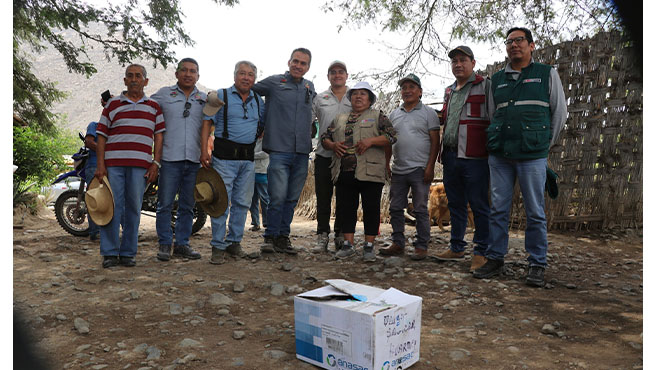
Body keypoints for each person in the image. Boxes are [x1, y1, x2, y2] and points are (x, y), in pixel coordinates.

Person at [473, 28, 567, 287]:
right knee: (498, 209)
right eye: (509, 42)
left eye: (519, 41)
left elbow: (559, 113)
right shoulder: (497, 79)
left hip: (532, 156)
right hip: (500, 155)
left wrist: (542, 145)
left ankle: (537, 263)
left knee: (535, 211)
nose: (514, 45)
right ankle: (495, 258)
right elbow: (493, 115)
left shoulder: (546, 74)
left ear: (532, 45)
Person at [95, 64, 165, 268]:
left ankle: (128, 253)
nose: (134, 79)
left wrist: (156, 163)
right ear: (124, 80)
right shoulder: (112, 104)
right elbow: (101, 136)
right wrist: (100, 164)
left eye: (138, 76)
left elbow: (159, 137)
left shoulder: (154, 107)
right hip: (113, 166)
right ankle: (109, 253)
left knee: (134, 209)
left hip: (140, 167)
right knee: (111, 208)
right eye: (130, 76)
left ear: (146, 81)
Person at [433, 46, 493, 273]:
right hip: (450, 154)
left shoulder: (485, 86)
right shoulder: (449, 91)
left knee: (479, 204)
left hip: (475, 156)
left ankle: (481, 252)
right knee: (455, 203)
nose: (458, 64)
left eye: (462, 60)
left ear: (473, 63)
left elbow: (493, 116)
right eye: (454, 61)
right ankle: (457, 246)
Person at [321, 81, 397, 261]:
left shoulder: (378, 116)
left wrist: (371, 141)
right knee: (346, 208)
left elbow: (392, 136)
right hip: (344, 171)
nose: (358, 96)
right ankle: (348, 244)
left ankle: (369, 246)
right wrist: (332, 145)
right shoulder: (340, 118)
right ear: (350, 98)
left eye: (363, 93)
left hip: (371, 171)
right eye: (355, 93)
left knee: (371, 209)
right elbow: (325, 136)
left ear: (370, 99)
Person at [252, 48, 316, 255]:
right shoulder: (273, 83)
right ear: (289, 62)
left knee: (291, 198)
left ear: (308, 67)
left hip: (302, 152)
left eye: (303, 63)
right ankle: (269, 237)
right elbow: (249, 91)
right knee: (277, 196)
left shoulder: (309, 87)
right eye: (295, 61)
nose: (298, 66)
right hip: (279, 149)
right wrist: (260, 122)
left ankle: (283, 237)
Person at [200, 61, 264, 265]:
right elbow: (206, 122)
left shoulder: (258, 100)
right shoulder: (221, 95)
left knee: (242, 203)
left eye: (250, 75)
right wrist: (204, 151)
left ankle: (234, 243)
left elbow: (260, 126)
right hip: (223, 159)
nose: (246, 78)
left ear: (255, 78)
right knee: (220, 203)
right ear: (235, 76)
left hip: (247, 159)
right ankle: (217, 246)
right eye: (242, 74)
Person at [380, 74, 440, 261]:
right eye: (404, 88)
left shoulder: (429, 113)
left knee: (420, 208)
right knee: (396, 208)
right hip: (398, 169)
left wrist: (430, 167)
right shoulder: (394, 114)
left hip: (420, 169)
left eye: (412, 87)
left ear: (420, 92)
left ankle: (421, 245)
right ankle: (398, 243)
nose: (407, 91)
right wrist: (386, 163)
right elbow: (389, 142)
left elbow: (435, 141)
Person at [151, 58, 206, 262]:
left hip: (194, 159)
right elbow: (143, 106)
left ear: (198, 76)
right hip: (169, 159)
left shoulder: (204, 99)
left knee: (187, 205)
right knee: (165, 204)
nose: (188, 74)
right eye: (184, 70)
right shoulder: (164, 95)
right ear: (177, 74)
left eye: (193, 71)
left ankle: (182, 244)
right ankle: (165, 244)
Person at [311, 60, 352, 253]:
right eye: (333, 72)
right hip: (324, 154)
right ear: (328, 76)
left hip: (347, 157)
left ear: (346, 75)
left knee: (345, 198)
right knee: (323, 198)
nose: (337, 75)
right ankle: (322, 236)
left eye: (341, 72)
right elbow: (310, 123)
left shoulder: (356, 96)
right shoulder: (320, 98)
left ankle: (340, 235)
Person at [249, 136, 269, 231]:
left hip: (262, 172)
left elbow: (265, 154)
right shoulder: (254, 140)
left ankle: (266, 222)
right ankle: (255, 223)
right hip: (253, 172)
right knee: (253, 200)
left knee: (264, 199)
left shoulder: (267, 140)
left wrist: (251, 154)